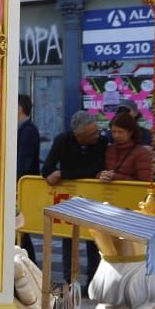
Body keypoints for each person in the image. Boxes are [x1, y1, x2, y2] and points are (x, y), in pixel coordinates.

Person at [43, 110, 108, 285]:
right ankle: (69, 279)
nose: (97, 135)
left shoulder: (101, 142)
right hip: (69, 197)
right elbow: (46, 169)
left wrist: (63, 173)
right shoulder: (62, 141)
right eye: (91, 133)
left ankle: (94, 279)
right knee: (67, 236)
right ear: (78, 136)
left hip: (94, 197)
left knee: (94, 238)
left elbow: (95, 169)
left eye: (97, 131)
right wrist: (51, 175)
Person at [16, 94, 42, 261]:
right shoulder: (21, 129)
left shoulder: (29, 130)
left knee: (21, 230)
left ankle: (29, 266)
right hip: (20, 187)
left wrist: (15, 181)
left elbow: (24, 160)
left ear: (19, 109)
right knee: (19, 232)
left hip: (22, 188)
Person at [99, 109, 155, 182]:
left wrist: (116, 177)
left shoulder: (142, 153)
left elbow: (145, 183)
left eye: (120, 132)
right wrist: (101, 175)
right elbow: (99, 172)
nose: (116, 135)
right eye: (114, 132)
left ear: (130, 132)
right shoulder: (109, 149)